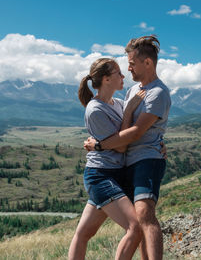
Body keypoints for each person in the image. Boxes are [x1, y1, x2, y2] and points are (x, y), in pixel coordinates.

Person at [84, 35, 171, 260]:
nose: (128, 68)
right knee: (137, 223)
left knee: (144, 214)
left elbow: (134, 132)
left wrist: (100, 145)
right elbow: (123, 125)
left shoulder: (157, 93)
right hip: (127, 163)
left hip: (147, 159)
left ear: (147, 63)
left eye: (131, 63)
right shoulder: (133, 92)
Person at [68, 58, 146, 260]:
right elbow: (120, 146)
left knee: (84, 233)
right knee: (135, 227)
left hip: (115, 174)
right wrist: (129, 111)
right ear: (106, 79)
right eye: (118, 73)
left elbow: (135, 134)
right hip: (101, 176)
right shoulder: (95, 110)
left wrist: (158, 144)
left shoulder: (118, 104)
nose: (123, 76)